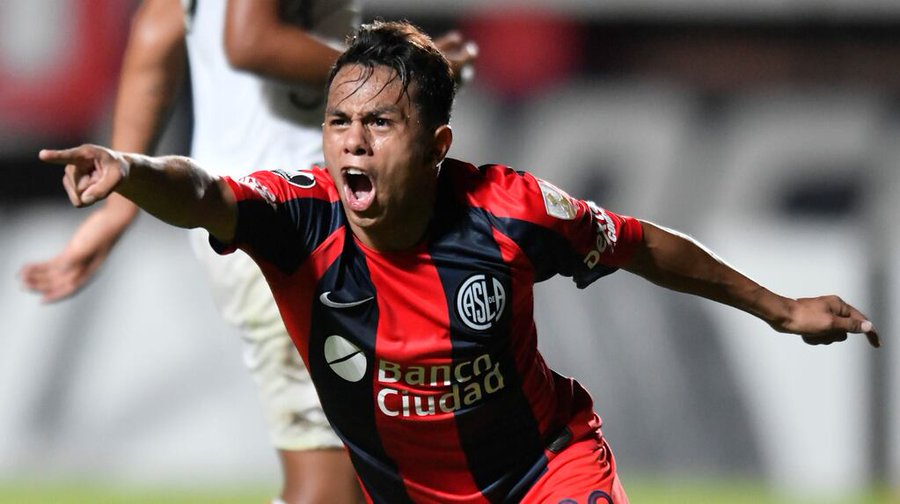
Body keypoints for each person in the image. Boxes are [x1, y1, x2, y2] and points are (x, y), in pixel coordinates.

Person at [37, 20, 880, 504]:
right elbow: (200, 191)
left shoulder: (511, 210)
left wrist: (780, 308)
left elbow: (642, 243)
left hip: (543, 473)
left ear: (438, 144)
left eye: (379, 124)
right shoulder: (298, 217)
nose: (352, 143)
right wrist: (132, 170)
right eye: (338, 123)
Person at [19, 2, 475, 503]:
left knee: (368, 472)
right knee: (330, 483)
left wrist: (121, 201)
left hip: (263, 210)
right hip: (293, 221)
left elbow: (159, 26)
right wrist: (397, 80)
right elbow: (250, 41)